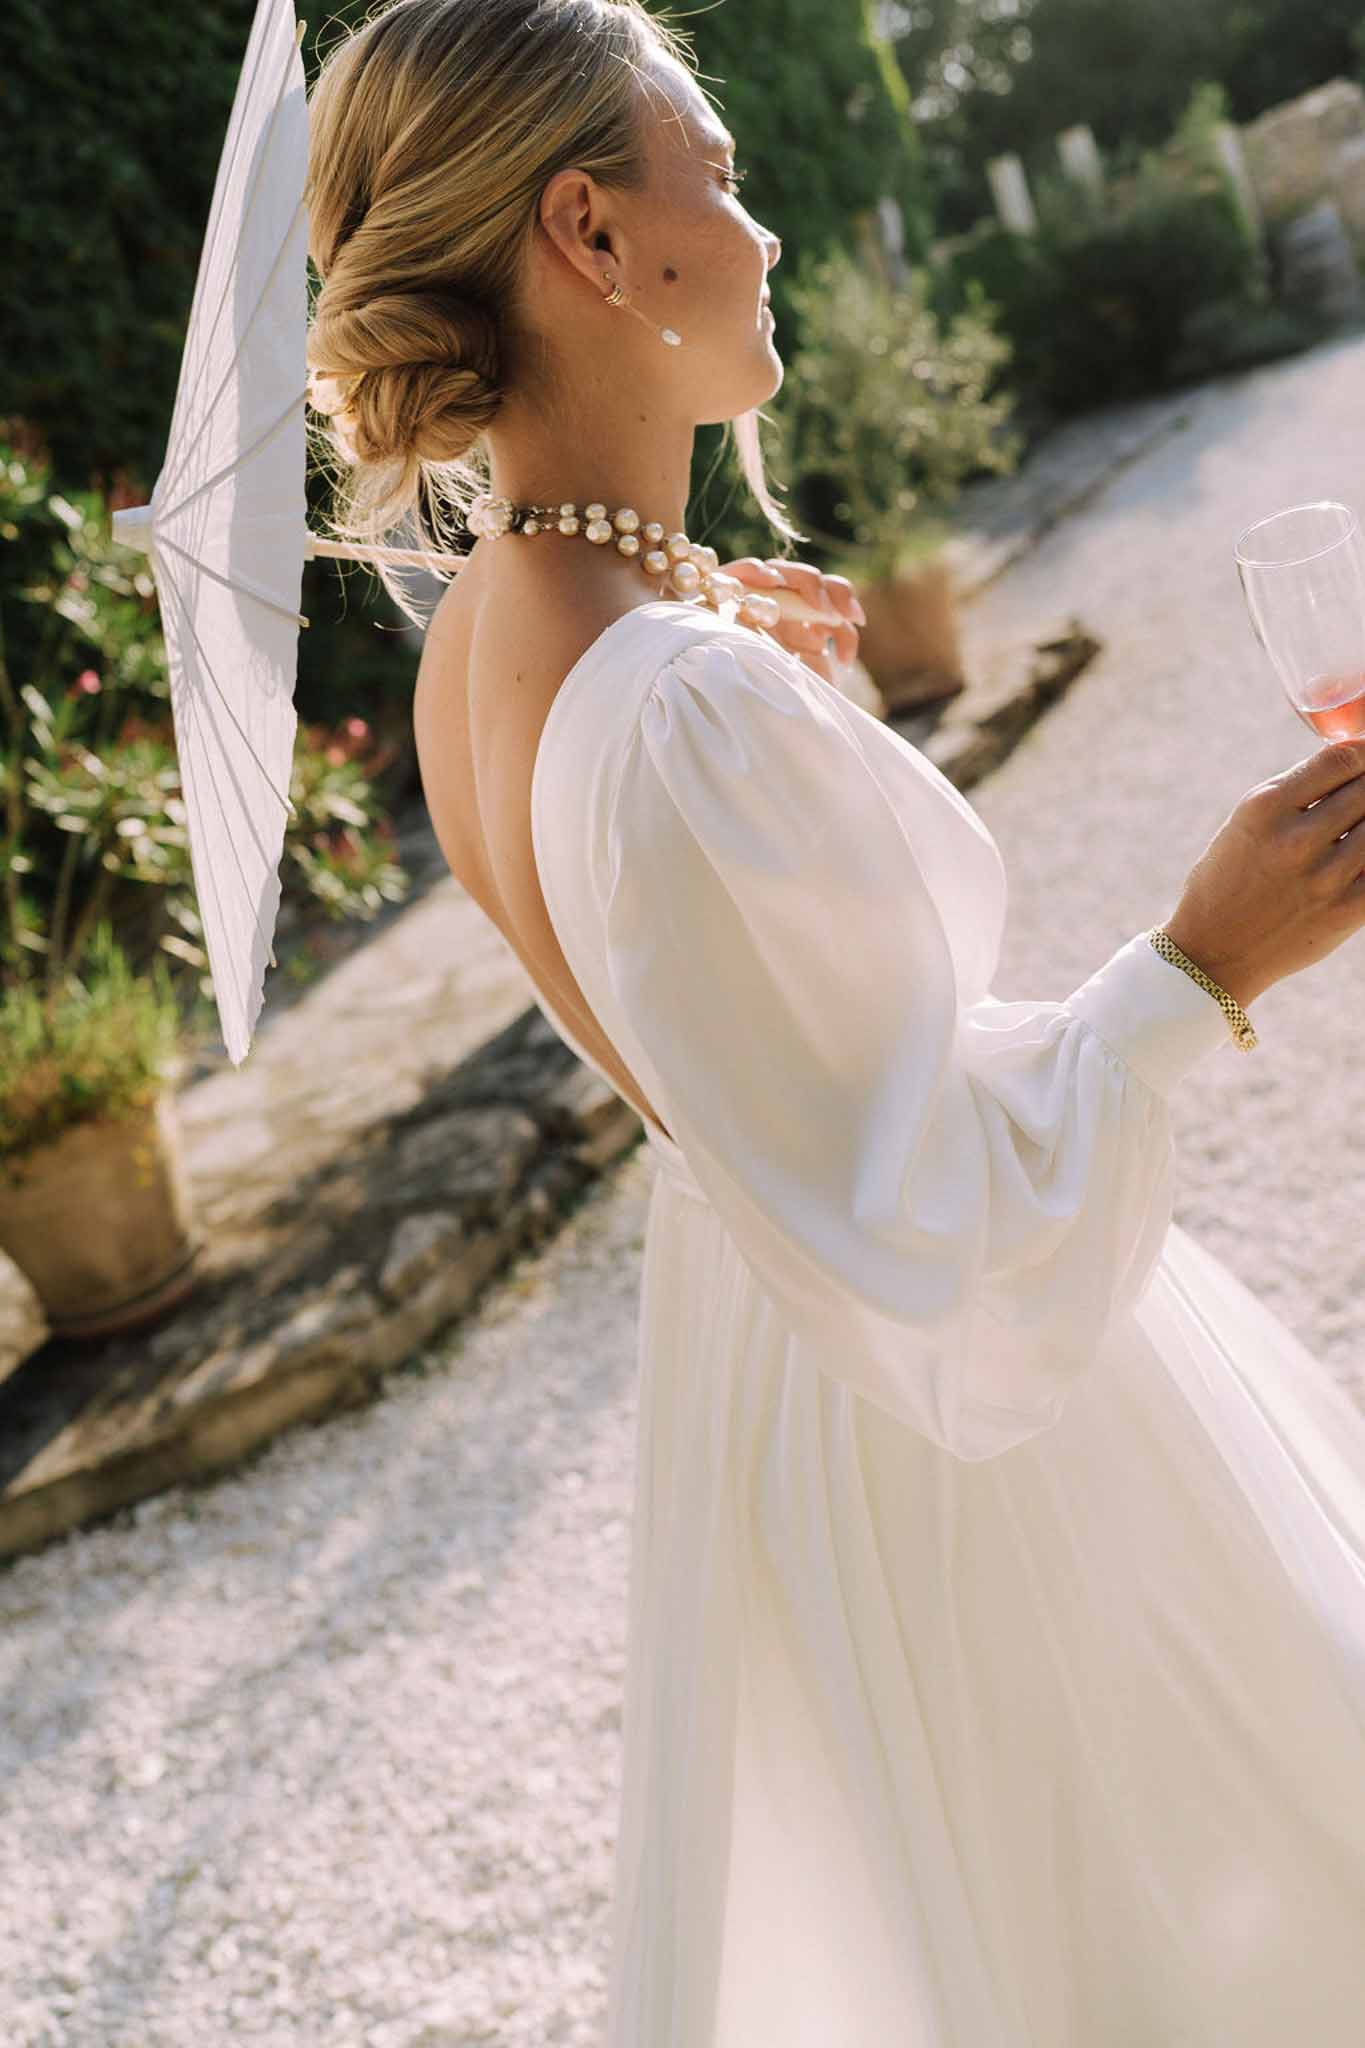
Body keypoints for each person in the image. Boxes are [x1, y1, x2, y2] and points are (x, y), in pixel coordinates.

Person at [303, 3, 1365, 2040]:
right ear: (591, 236)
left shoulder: (492, 649)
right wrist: (1197, 961)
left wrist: (741, 683)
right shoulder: (666, 687)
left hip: (774, 1366)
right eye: (718, 172)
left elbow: (749, 1066)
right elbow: (927, 1220)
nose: (765, 230)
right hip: (948, 1405)